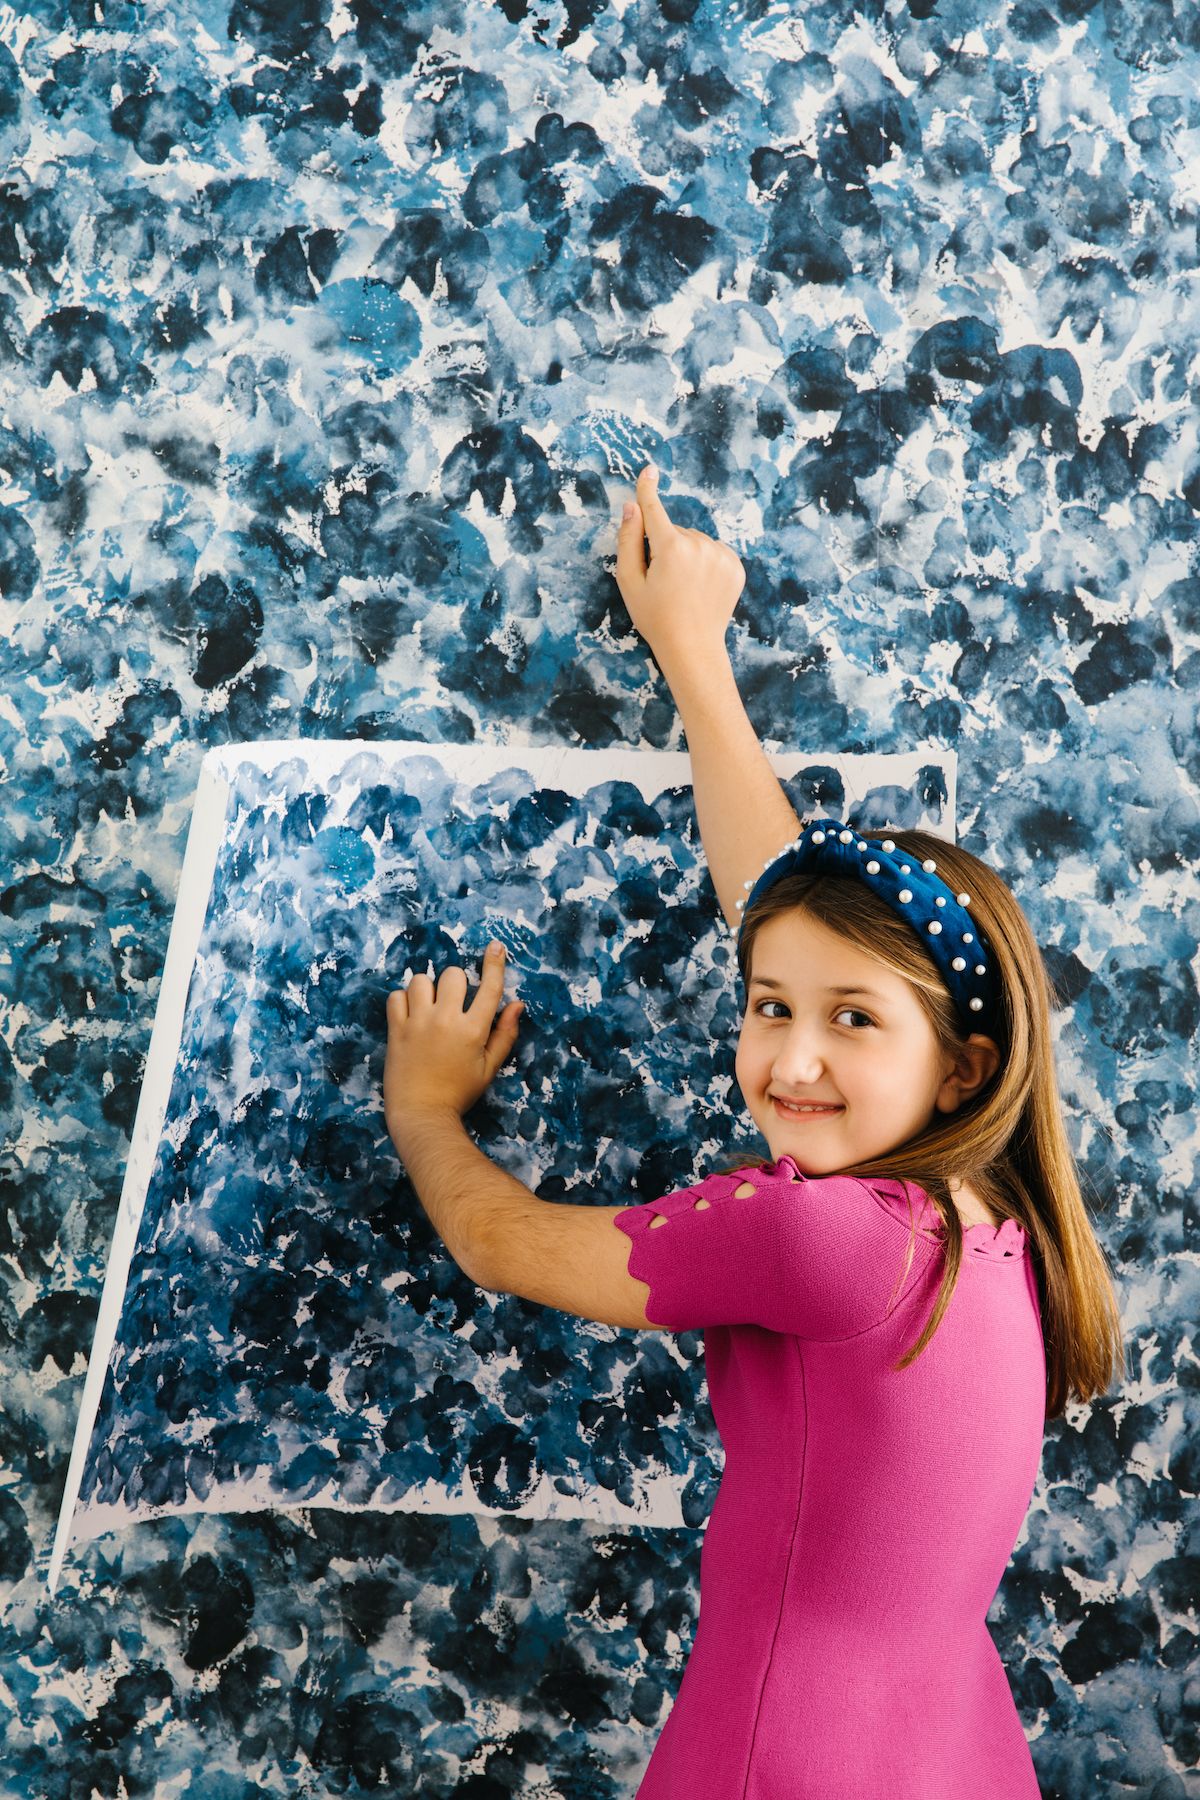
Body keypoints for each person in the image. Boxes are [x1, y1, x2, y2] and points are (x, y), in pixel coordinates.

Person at [383, 463, 1126, 1799]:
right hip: (959, 1760)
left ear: (960, 1069)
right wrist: (692, 658)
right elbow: (800, 923)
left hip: (777, 1761)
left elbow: (498, 1243)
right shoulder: (997, 1220)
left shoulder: (812, 1234)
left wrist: (426, 1108)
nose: (789, 1056)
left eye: (850, 1023)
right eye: (769, 1006)